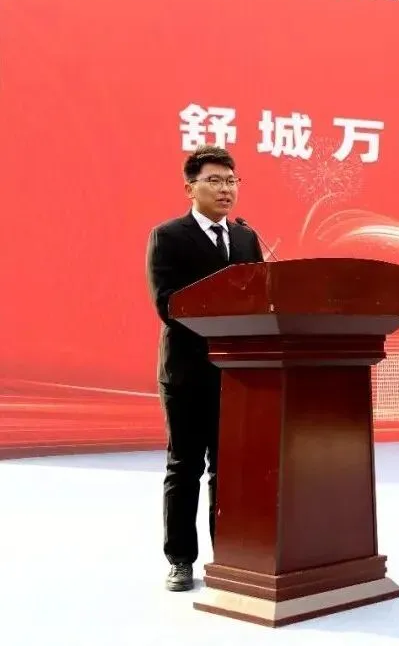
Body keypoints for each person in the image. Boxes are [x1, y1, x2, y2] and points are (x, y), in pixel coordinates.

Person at [146, 146, 264, 592]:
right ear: (190, 188)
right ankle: (180, 560)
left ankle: (228, 556)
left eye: (232, 181)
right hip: (187, 373)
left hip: (236, 374)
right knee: (185, 466)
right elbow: (168, 304)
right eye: (214, 180)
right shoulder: (168, 236)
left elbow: (261, 296)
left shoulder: (246, 238)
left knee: (227, 470)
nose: (225, 189)